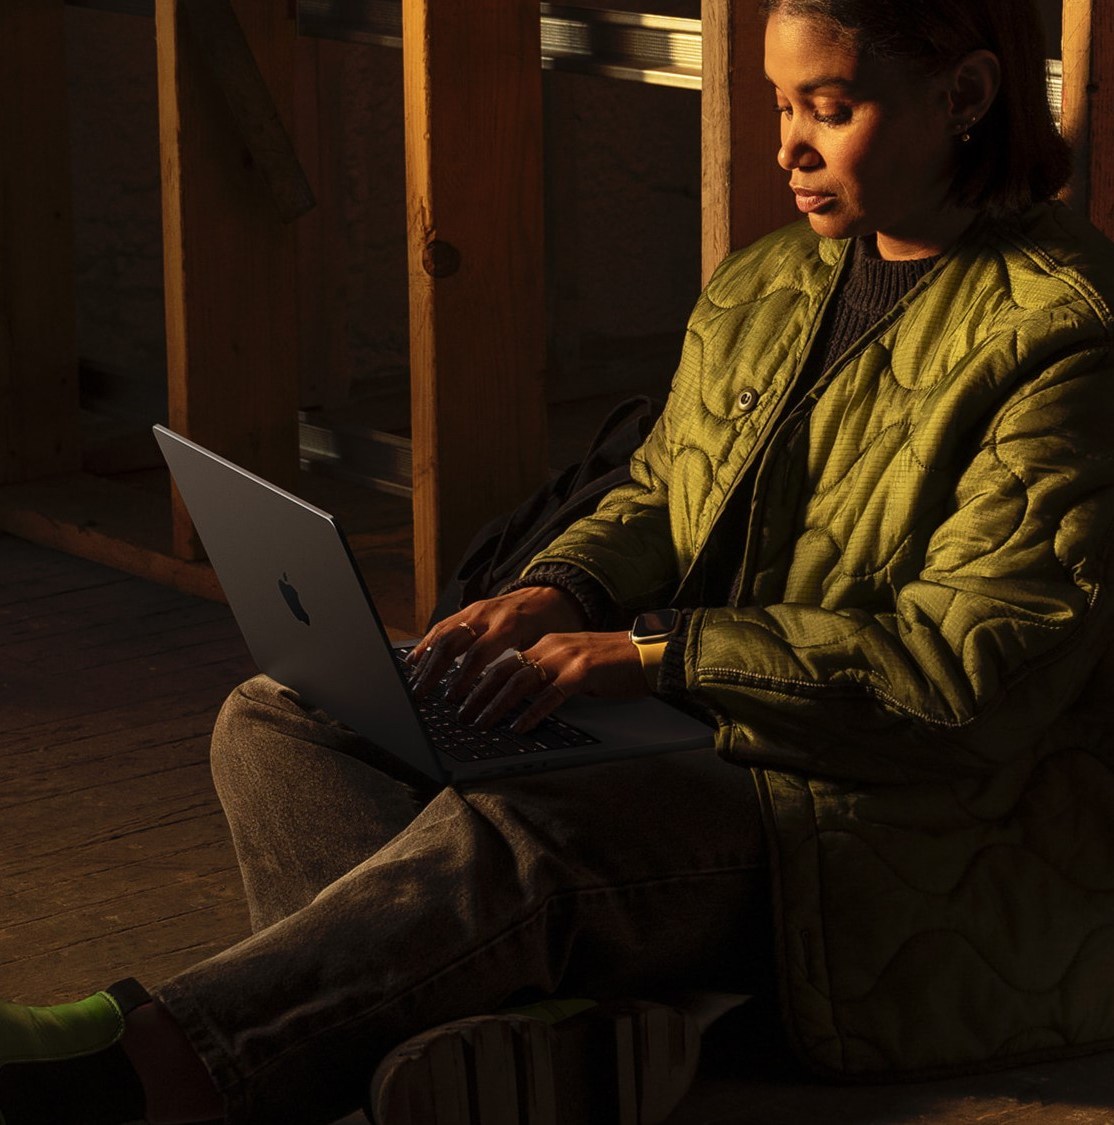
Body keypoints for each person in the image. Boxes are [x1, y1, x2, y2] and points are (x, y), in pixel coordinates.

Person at [4, 1, 1114, 1122]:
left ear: (965, 98)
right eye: (780, 104)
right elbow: (659, 494)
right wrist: (560, 590)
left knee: (529, 841)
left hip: (870, 814)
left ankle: (143, 1073)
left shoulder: (1064, 336)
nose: (788, 146)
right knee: (286, 718)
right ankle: (514, 1038)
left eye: (829, 109)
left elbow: (965, 680)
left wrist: (651, 655)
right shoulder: (769, 283)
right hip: (701, 727)